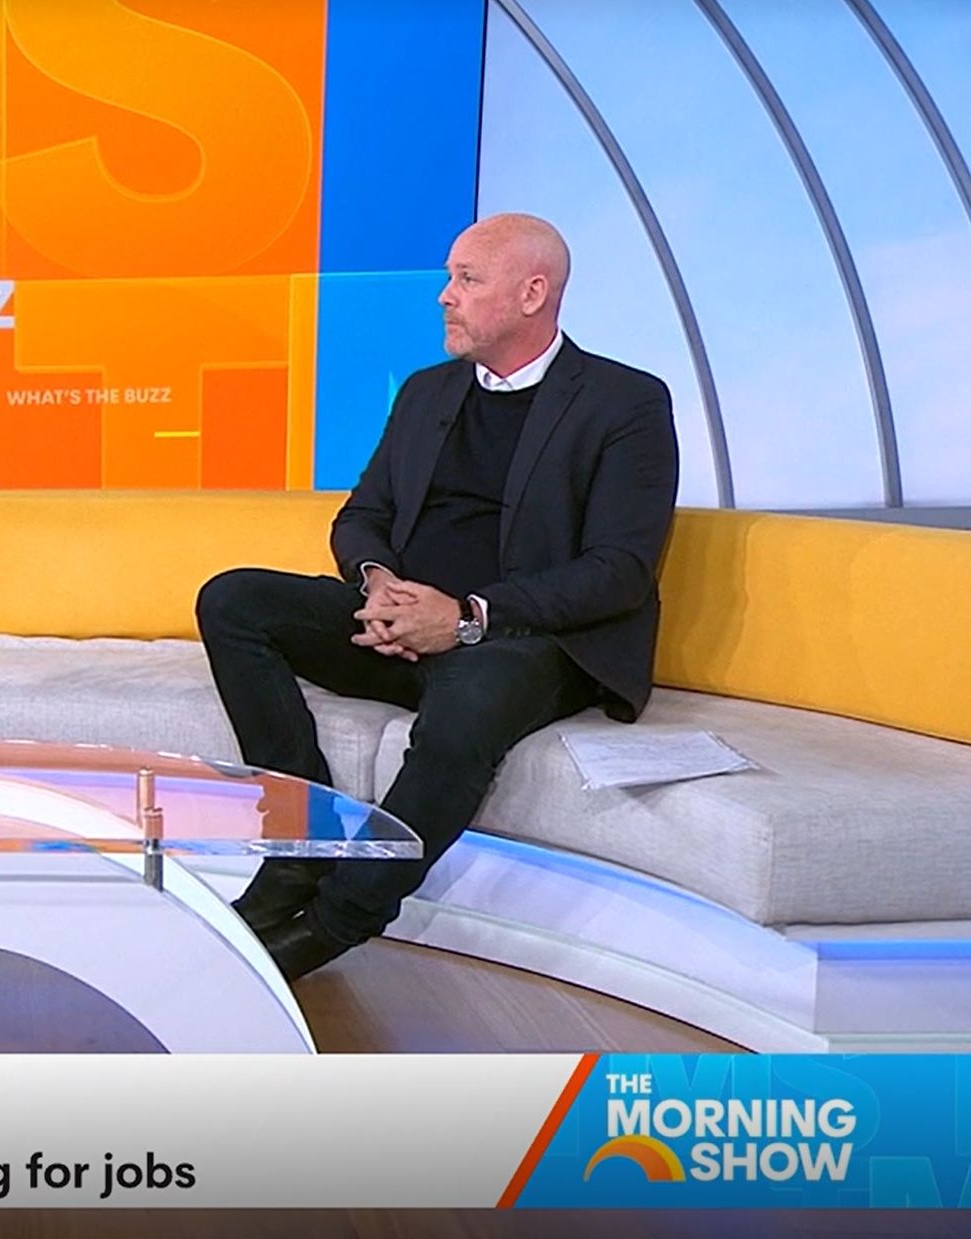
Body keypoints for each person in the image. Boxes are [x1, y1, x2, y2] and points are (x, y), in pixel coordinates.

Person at [195, 213, 679, 980]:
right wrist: (378, 584)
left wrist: (463, 617)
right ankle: (299, 847)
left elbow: (619, 568)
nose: (443, 295)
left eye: (466, 279)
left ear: (531, 294)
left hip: (525, 640)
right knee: (232, 600)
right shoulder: (428, 391)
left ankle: (335, 919)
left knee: (469, 704)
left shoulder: (624, 402)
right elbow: (363, 515)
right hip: (402, 624)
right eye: (449, 277)